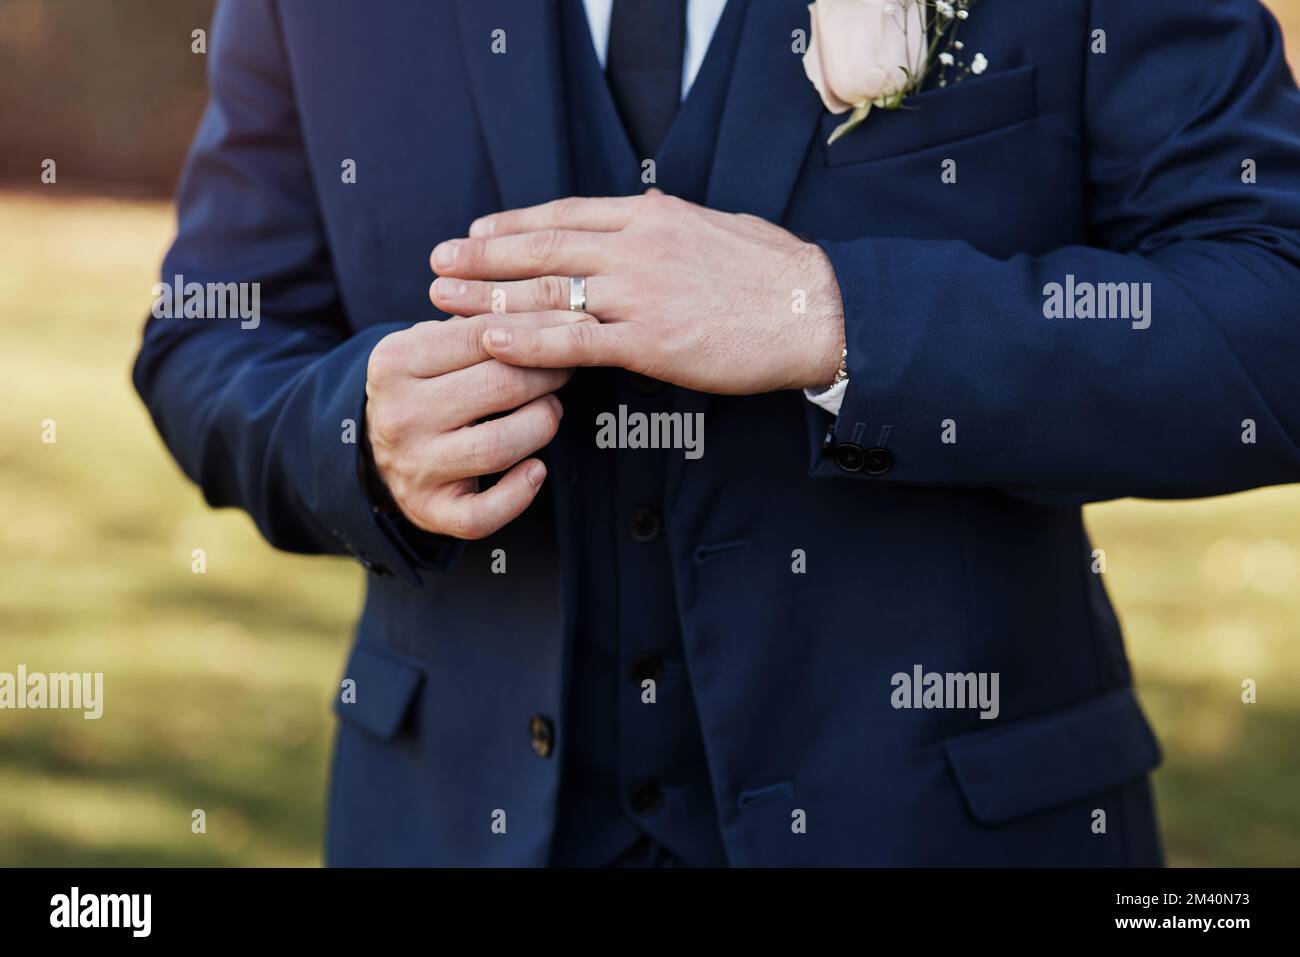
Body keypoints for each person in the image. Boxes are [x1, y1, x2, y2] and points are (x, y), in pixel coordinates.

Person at [134, 0, 1300, 866]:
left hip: (944, 826)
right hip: (452, 824)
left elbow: (1272, 310)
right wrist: (356, 432)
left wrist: (835, 317)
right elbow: (207, 337)